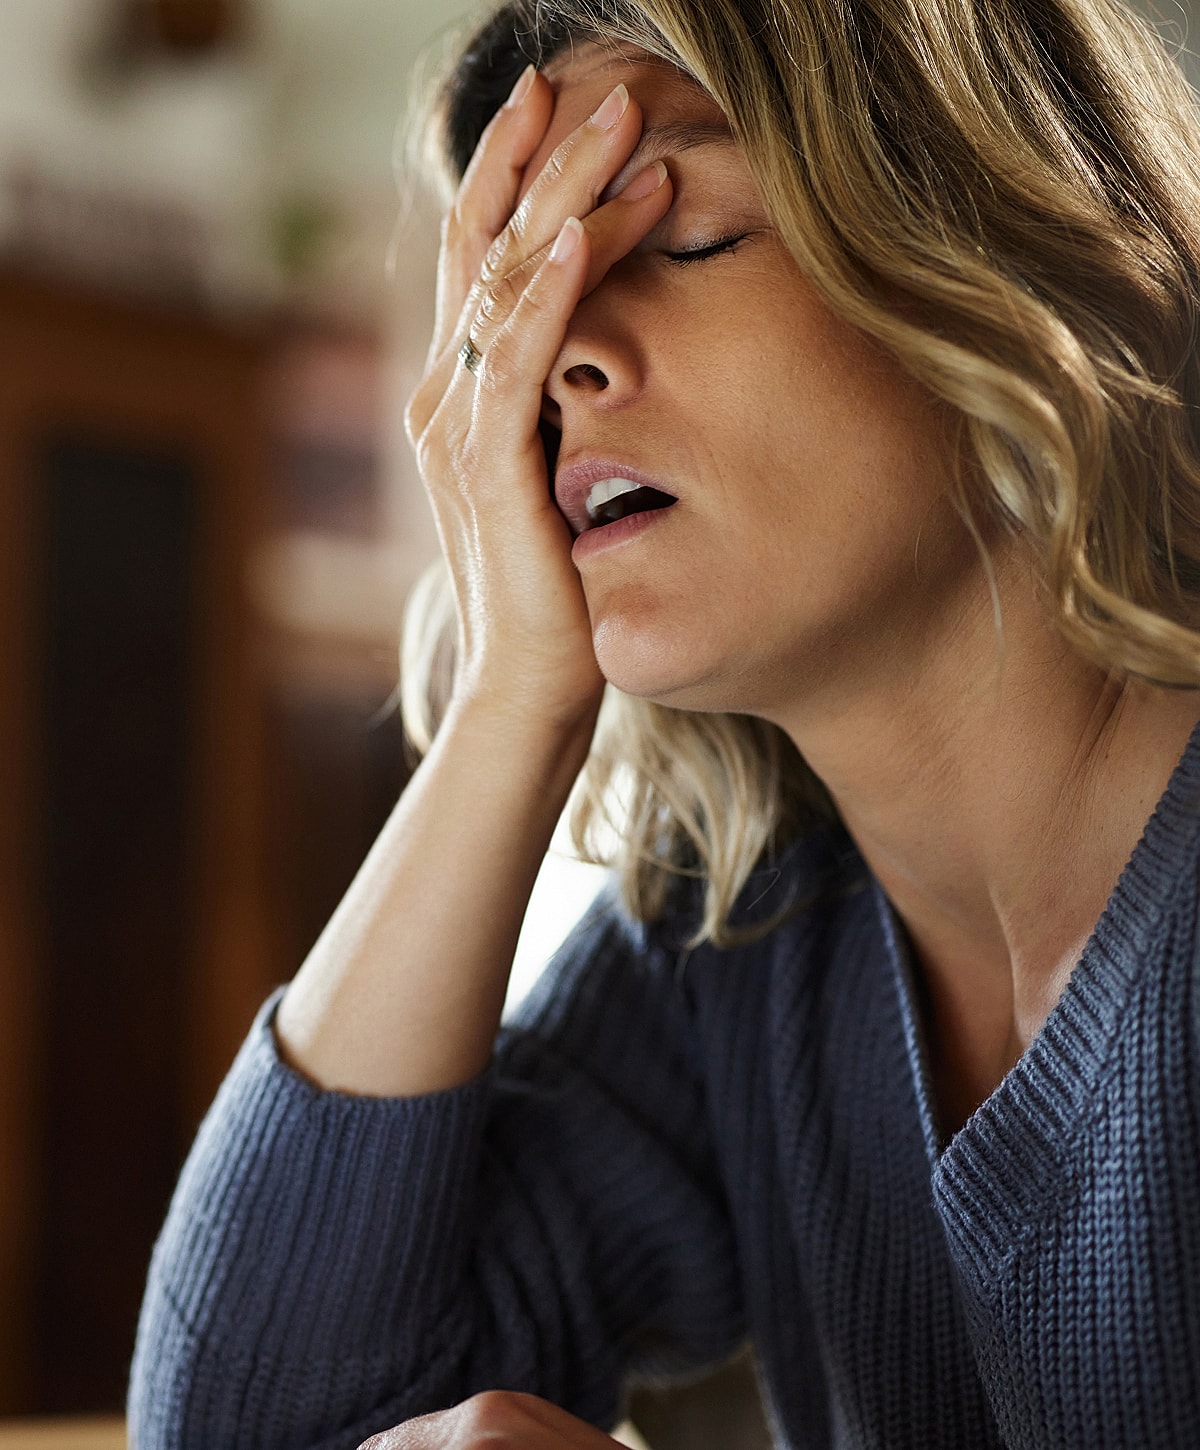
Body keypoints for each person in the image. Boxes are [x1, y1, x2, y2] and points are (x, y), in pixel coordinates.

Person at [128, 0, 1200, 1446]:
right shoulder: (743, 936)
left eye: (682, 240)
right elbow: (242, 1423)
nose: (548, 370)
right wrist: (511, 698)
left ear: (1005, 238)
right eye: (517, 305)